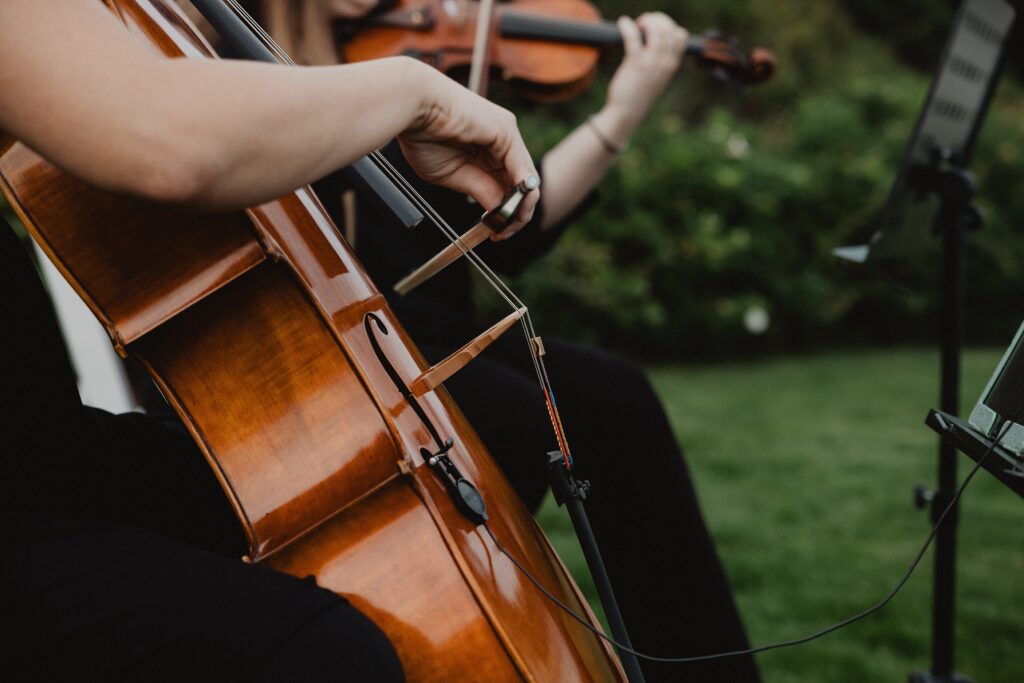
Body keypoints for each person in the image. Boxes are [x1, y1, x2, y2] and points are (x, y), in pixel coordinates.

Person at [0, 0, 539, 679]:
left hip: (40, 452)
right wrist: (415, 91)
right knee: (326, 655)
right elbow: (167, 139)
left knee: (492, 427)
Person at [253, 1, 764, 680]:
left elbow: (506, 226)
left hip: (435, 333)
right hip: (343, 349)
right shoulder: (251, 57)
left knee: (614, 397)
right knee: (518, 420)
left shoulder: (411, 47)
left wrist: (621, 113)